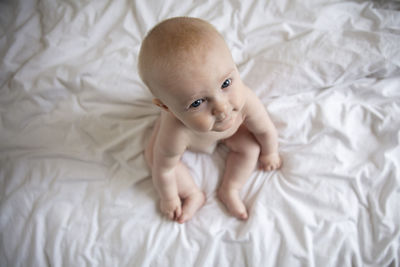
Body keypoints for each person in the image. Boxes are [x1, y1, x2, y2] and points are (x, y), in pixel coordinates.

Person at [138, 17, 282, 224]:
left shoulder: (246, 102)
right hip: (193, 140)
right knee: (153, 157)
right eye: (197, 103)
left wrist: (270, 152)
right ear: (167, 108)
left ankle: (230, 189)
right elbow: (165, 170)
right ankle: (192, 194)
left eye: (226, 83)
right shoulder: (175, 132)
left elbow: (265, 130)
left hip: (231, 133)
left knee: (251, 148)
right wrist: (168, 197)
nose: (222, 108)